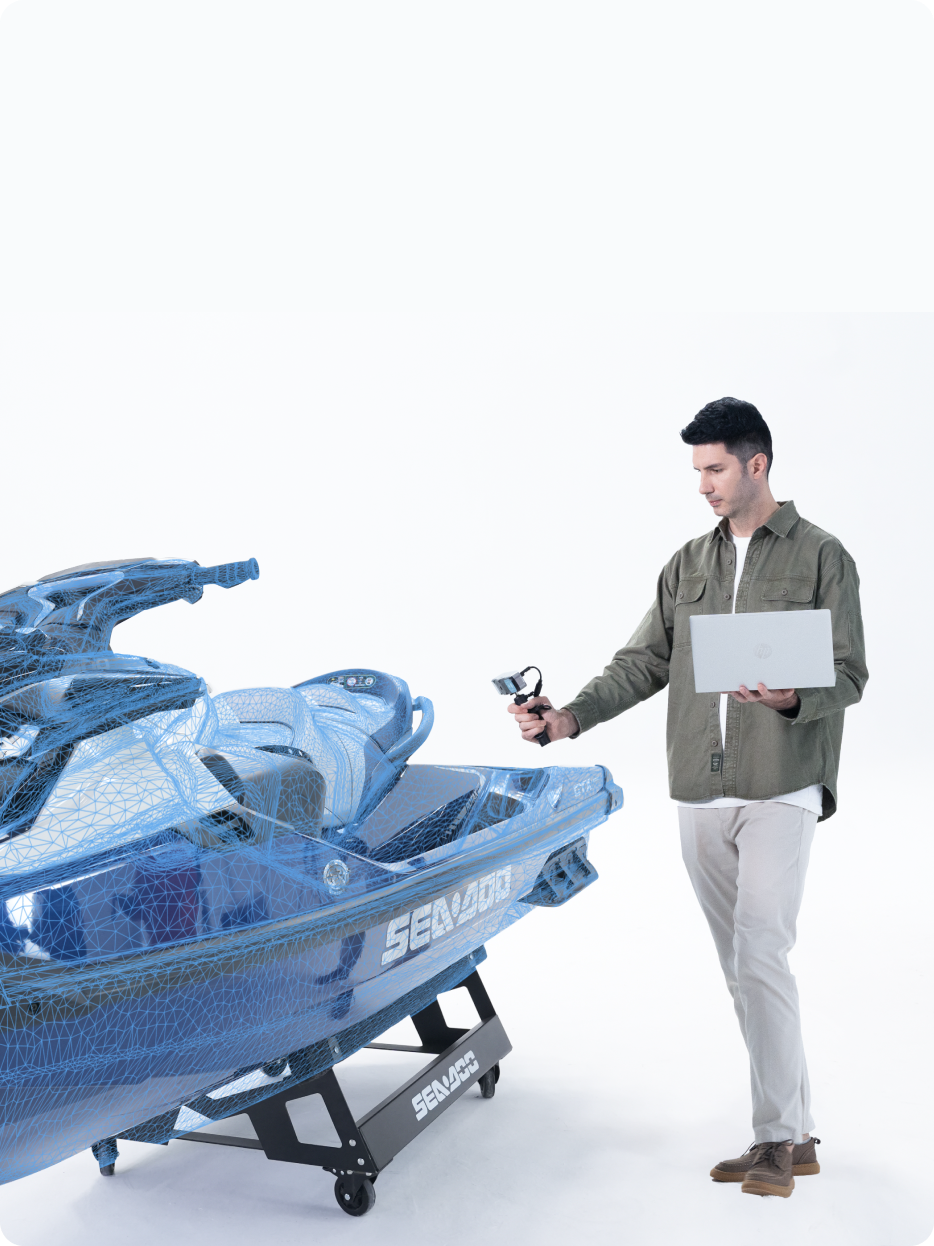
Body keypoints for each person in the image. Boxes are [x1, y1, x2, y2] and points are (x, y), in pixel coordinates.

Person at [508, 397, 867, 1199]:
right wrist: (566, 719)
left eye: (715, 469)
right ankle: (796, 1134)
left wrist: (791, 699)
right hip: (699, 788)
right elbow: (642, 662)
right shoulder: (687, 563)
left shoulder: (821, 556)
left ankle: (773, 1138)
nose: (702, 485)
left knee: (761, 951)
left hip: (782, 783)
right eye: (697, 471)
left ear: (756, 464)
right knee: (743, 968)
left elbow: (850, 673)